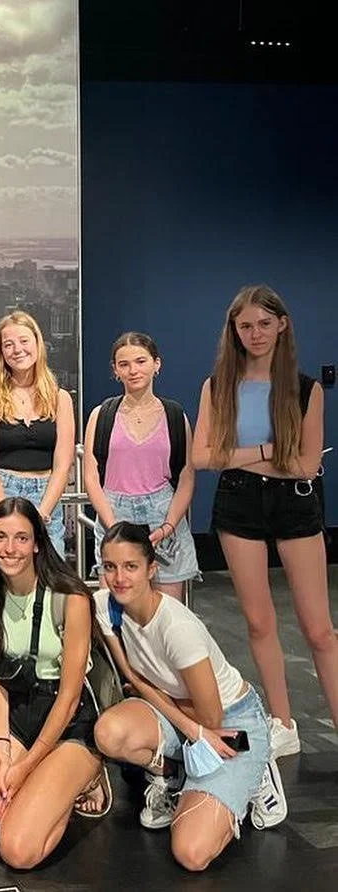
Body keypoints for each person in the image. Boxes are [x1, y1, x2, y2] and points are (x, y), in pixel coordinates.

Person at [192, 284, 337, 758]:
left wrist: (238, 457)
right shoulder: (217, 387)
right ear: (234, 331)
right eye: (246, 326)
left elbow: (306, 466)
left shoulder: (306, 389)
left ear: (282, 325)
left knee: (319, 629)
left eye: (264, 324)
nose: (255, 333)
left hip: (295, 504)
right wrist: (268, 450)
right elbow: (201, 457)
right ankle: (283, 723)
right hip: (239, 504)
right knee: (259, 622)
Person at [92, 522, 287, 872]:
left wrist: (180, 717)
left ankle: (256, 768)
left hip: (230, 722)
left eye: (131, 566)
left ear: (151, 569)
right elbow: (133, 677)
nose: (119, 578)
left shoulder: (177, 628)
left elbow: (211, 719)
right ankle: (176, 774)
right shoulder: (106, 607)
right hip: (178, 712)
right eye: (110, 566)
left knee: (191, 853)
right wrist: (181, 720)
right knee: (109, 732)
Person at [0, 496, 106, 870]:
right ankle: (37, 786)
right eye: (0, 537)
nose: (10, 548)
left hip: (67, 724)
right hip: (18, 716)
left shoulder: (70, 598)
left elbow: (70, 697)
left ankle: (85, 778)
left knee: (18, 851)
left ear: (37, 543)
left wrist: (26, 767)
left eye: (21, 538)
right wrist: (3, 753)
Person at [84, 332, 200, 602]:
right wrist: (113, 525)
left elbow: (186, 475)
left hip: (164, 516)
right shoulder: (101, 416)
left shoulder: (174, 415)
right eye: (124, 364)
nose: (133, 370)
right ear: (115, 370)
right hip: (114, 515)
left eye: (140, 361)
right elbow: (91, 476)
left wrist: (168, 526)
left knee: (167, 612)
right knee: (114, 612)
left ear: (156, 364)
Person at [0, 311, 74, 566]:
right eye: (8, 344)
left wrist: (42, 514)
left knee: (50, 580)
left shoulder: (60, 398)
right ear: (1, 353)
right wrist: (7, 517)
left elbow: (63, 465)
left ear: (38, 344)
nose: (17, 349)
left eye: (24, 341)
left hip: (46, 499)